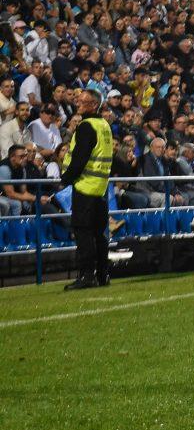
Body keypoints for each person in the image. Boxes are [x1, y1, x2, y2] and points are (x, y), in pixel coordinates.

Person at [59, 89, 113, 290]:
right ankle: (102, 275)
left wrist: (65, 179)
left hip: (85, 186)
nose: (77, 104)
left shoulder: (86, 126)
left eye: (82, 102)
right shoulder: (104, 125)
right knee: (99, 234)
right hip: (100, 189)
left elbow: (79, 159)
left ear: (93, 105)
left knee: (83, 232)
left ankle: (86, 275)